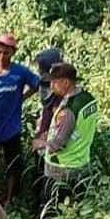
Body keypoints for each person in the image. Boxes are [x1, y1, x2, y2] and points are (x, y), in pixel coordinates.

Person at [34, 62, 99, 219]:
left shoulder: (68, 109)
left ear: (65, 82)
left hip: (60, 169)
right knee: (75, 210)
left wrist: (40, 143)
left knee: (50, 213)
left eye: (54, 83)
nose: (51, 87)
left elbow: (58, 144)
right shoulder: (88, 99)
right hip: (82, 164)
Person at [0, 33, 40, 206]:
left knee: (14, 166)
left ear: (13, 53)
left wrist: (22, 97)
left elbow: (37, 84)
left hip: (11, 129)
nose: (2, 56)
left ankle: (10, 199)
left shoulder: (20, 72)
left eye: (6, 53)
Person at [31, 48, 64, 200]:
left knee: (51, 182)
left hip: (54, 139)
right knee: (40, 174)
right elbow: (46, 104)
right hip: (45, 130)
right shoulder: (46, 82)